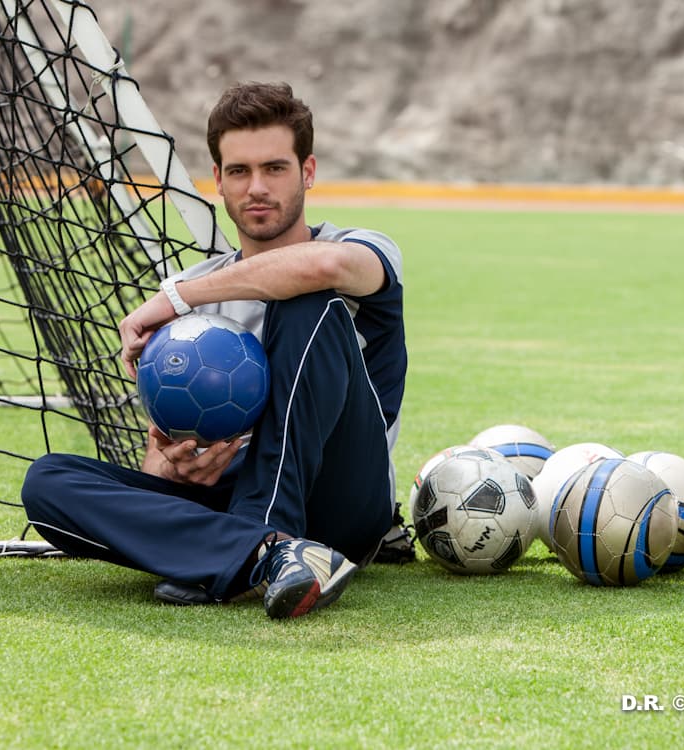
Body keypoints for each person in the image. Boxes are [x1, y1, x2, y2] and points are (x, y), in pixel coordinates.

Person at [20, 81, 410, 619]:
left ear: (308, 172)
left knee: (307, 300)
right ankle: (265, 558)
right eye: (238, 171)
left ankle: (251, 539)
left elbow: (320, 268)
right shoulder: (193, 310)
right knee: (50, 483)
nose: (257, 188)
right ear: (219, 184)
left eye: (275, 168)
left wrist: (175, 296)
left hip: (342, 498)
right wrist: (175, 468)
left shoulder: (359, 249)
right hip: (229, 496)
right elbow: (156, 461)